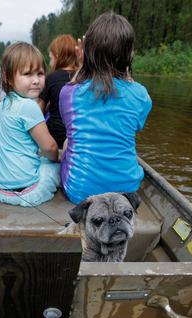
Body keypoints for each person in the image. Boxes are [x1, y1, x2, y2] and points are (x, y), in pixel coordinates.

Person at [60, 12, 152, 205]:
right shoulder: (141, 95)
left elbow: (77, 86)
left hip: (79, 192)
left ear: (88, 53)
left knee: (70, 140)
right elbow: (135, 126)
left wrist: (83, 64)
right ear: (129, 55)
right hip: (126, 193)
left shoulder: (68, 93)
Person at [0, 42, 60, 207]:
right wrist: (58, 158)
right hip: (27, 190)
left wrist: (6, 144)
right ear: (9, 78)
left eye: (40, 73)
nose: (36, 81)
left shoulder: (4, 102)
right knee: (51, 166)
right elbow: (50, 147)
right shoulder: (30, 106)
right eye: (27, 74)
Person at [39, 35, 79, 147]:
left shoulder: (51, 78)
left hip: (55, 138)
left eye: (51, 58)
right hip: (77, 138)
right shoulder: (83, 77)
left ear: (57, 56)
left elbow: (39, 113)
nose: (50, 63)